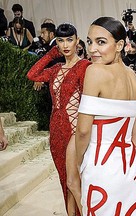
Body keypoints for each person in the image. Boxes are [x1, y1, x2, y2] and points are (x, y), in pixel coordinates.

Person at [75, 17, 136, 215]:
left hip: (101, 168)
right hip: (131, 167)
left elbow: (82, 131)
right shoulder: (133, 76)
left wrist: (80, 162)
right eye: (89, 41)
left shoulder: (95, 71)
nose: (92, 49)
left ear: (120, 45)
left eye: (101, 42)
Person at [27, 23, 91, 216]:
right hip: (55, 130)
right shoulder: (55, 69)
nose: (65, 45)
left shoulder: (86, 67)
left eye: (69, 40)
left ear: (77, 41)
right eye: (61, 41)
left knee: (75, 181)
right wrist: (51, 54)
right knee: (65, 180)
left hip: (75, 131)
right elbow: (32, 74)